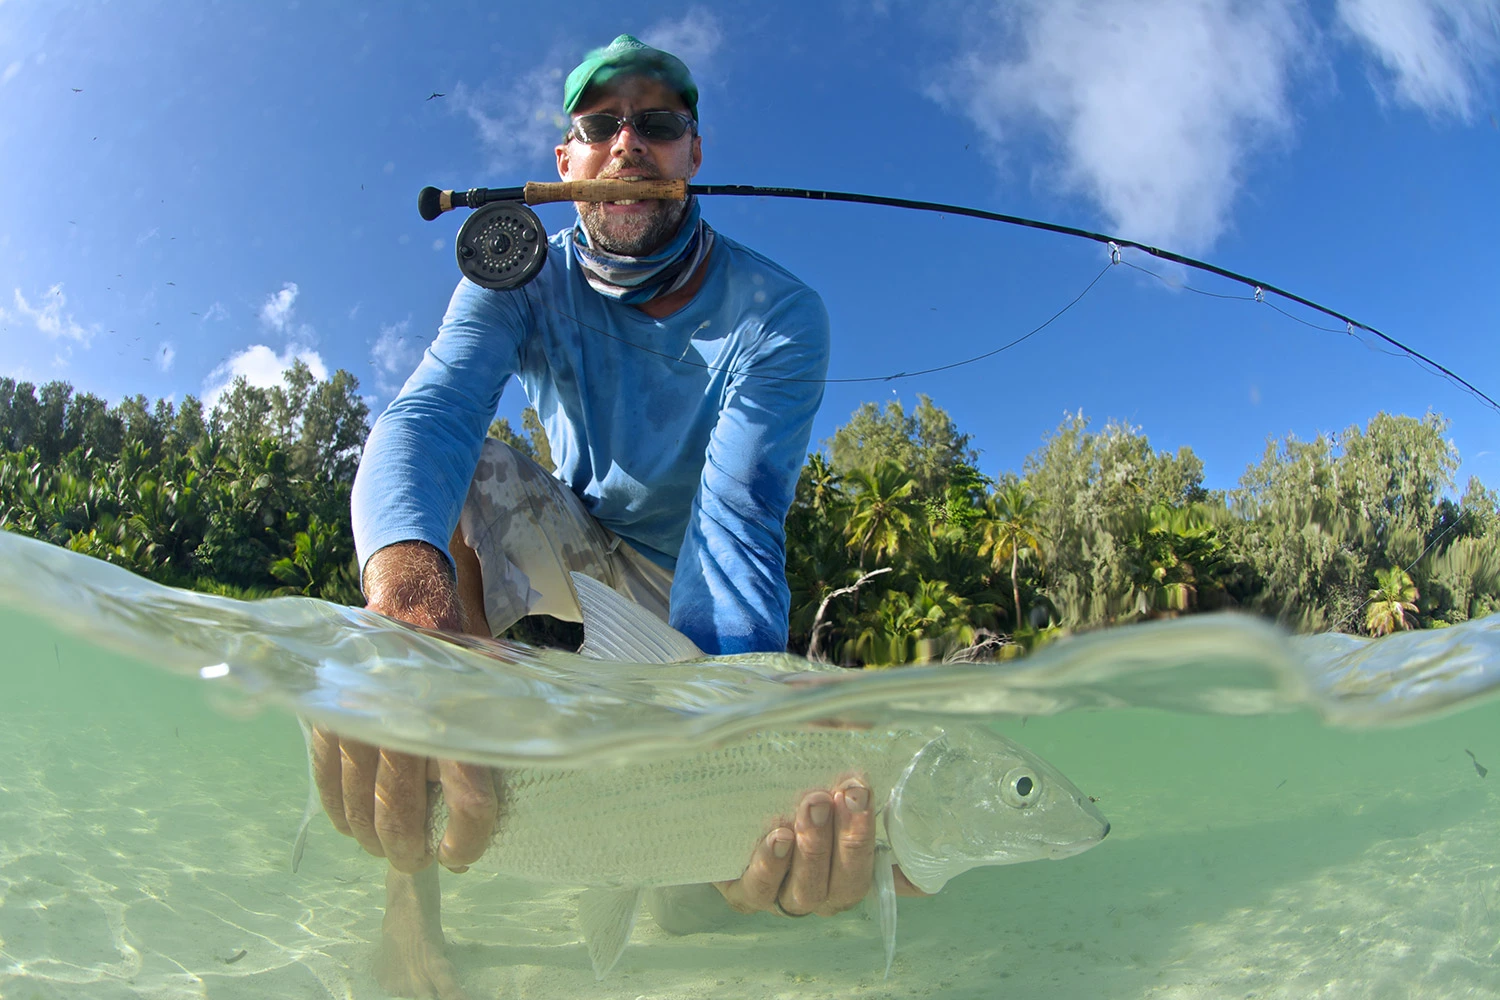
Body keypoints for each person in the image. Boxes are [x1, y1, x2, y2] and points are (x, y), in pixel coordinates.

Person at [311, 35, 920, 999]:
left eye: (659, 124)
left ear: (693, 154)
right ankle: (410, 895)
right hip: (581, 542)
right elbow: (430, 415)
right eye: (600, 126)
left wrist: (736, 734)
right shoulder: (518, 276)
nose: (628, 143)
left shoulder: (781, 312)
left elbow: (740, 516)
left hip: (702, 587)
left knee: (710, 888)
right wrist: (408, 610)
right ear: (566, 164)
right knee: (464, 476)